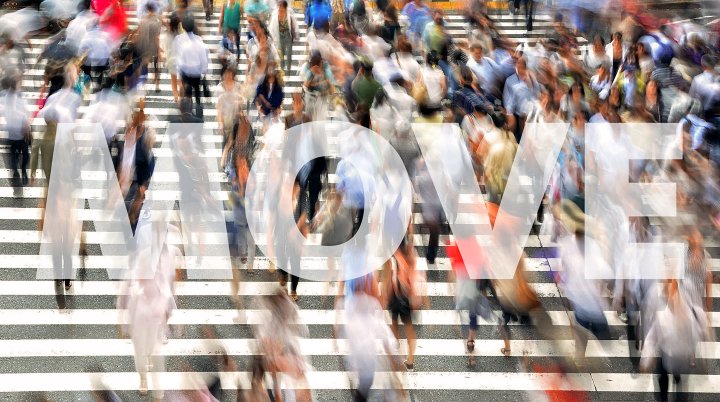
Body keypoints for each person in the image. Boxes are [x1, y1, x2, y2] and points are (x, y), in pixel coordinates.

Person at [173, 17, 210, 118]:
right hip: (197, 74)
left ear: (183, 26)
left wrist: (179, 74)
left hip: (186, 74)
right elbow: (204, 59)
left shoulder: (179, 40)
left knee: (187, 95)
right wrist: (204, 71)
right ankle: (199, 114)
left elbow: (178, 59)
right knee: (198, 94)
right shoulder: (199, 40)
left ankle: (188, 113)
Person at [1, 77, 30, 186]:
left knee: (14, 154)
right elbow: (23, 112)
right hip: (20, 132)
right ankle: (21, 170)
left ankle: (17, 171)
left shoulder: (8, 96)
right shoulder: (15, 97)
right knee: (24, 154)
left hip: (13, 132)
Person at [269, 0, 299, 74]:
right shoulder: (275, 15)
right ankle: (282, 69)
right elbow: (271, 28)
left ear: (285, 8)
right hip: (280, 36)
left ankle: (288, 69)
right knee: (281, 54)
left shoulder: (290, 14)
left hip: (288, 36)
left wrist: (296, 34)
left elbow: (295, 24)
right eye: (279, 6)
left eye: (282, 7)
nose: (280, 8)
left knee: (289, 53)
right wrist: (272, 38)